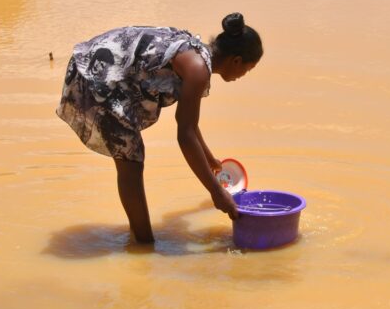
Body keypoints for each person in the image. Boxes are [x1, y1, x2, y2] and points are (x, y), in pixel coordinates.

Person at [56, 13, 263, 243]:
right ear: (236, 61)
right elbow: (184, 135)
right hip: (101, 74)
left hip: (100, 62)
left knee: (131, 156)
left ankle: (140, 239)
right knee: (131, 160)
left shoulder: (197, 54)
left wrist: (210, 159)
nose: (243, 76)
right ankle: (143, 245)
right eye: (248, 69)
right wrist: (216, 192)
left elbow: (189, 124)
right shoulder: (197, 70)